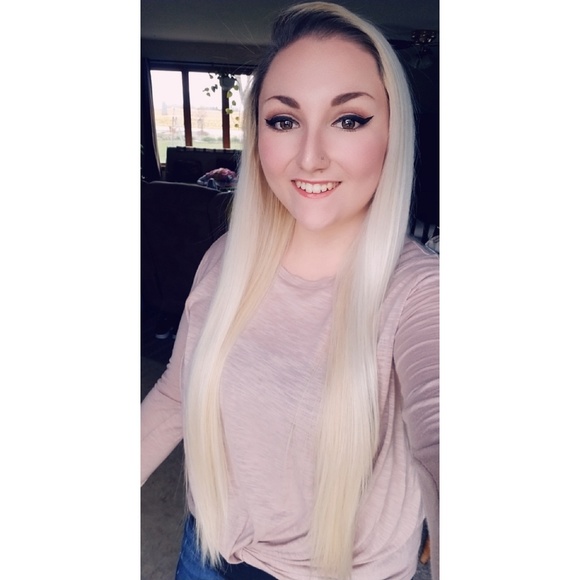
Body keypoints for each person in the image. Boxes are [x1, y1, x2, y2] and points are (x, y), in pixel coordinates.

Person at [141, 2, 439, 579]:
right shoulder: (224, 259)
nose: (310, 157)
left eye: (349, 120)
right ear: (257, 138)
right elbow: (177, 397)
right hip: (206, 552)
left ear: (392, 135)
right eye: (284, 120)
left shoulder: (421, 294)